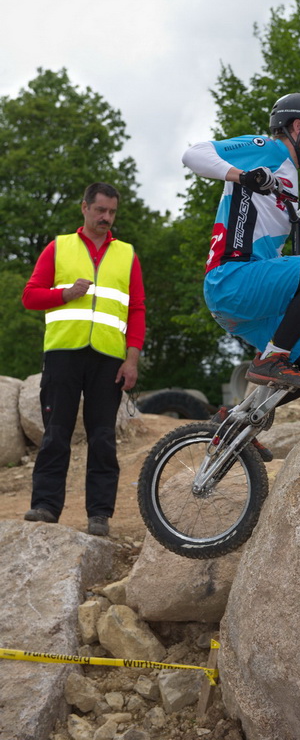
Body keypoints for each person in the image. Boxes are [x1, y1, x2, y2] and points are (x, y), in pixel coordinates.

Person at [182, 93, 300, 458]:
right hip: (233, 280)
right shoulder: (269, 149)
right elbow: (193, 154)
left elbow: (263, 222)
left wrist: (298, 216)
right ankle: (271, 359)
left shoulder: (287, 175)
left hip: (250, 300)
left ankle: (237, 420)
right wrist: (242, 175)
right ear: (297, 126)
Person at [22, 182, 146, 536]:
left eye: (112, 212)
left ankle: (99, 515)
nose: (106, 217)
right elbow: (30, 296)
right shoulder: (58, 247)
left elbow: (137, 309)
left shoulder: (127, 254)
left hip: (108, 358)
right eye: (100, 210)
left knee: (103, 438)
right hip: (63, 354)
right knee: (55, 434)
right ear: (85, 208)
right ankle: (45, 506)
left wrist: (132, 360)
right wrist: (65, 294)